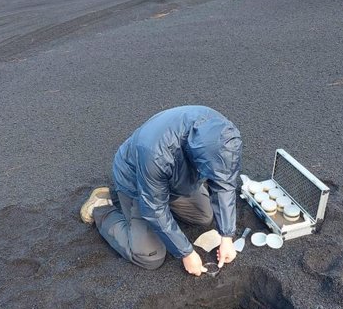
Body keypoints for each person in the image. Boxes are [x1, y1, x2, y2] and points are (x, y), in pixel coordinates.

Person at [80, 105, 242, 276]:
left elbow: (224, 182)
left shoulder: (223, 135)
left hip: (175, 179)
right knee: (150, 256)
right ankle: (102, 207)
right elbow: (154, 208)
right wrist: (186, 253)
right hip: (136, 182)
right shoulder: (157, 153)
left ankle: (166, 207)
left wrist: (226, 236)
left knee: (203, 216)